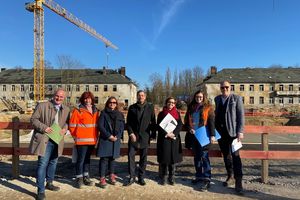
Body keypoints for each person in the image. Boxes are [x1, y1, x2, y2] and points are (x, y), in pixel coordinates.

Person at [29, 89, 70, 200]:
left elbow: (67, 122)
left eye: (61, 97)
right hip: (44, 139)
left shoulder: (66, 109)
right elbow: (33, 119)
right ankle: (40, 190)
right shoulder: (42, 106)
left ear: (64, 98)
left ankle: (49, 183)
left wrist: (65, 129)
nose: (59, 98)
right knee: (42, 164)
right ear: (53, 95)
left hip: (57, 139)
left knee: (53, 162)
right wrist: (44, 128)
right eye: (57, 96)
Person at [214, 80, 245, 195]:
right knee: (226, 156)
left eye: (226, 87)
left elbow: (241, 116)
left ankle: (238, 181)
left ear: (230, 87)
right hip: (221, 134)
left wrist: (240, 131)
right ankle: (230, 176)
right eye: (222, 87)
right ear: (220, 88)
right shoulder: (217, 99)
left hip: (233, 133)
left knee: (236, 157)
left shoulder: (236, 98)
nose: (224, 89)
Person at [184, 90, 215, 191]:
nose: (199, 98)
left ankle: (207, 178)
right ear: (195, 97)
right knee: (197, 157)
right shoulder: (191, 107)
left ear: (203, 98)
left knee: (205, 157)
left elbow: (211, 122)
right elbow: (186, 121)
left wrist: (212, 135)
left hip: (204, 135)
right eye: (197, 97)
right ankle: (199, 176)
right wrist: (189, 129)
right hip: (194, 136)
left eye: (201, 97)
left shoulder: (208, 108)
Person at [125, 90, 156, 186]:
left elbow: (153, 122)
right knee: (131, 156)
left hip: (145, 136)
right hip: (134, 136)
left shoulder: (150, 107)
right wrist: (131, 133)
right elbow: (128, 123)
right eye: (139, 95)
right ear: (137, 97)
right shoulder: (132, 108)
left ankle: (141, 177)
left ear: (145, 97)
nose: (140, 97)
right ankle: (132, 177)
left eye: (142, 95)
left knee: (143, 158)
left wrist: (153, 134)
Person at [69, 91, 99, 189]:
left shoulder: (96, 110)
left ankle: (86, 177)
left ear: (92, 99)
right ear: (83, 99)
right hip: (81, 140)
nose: (87, 100)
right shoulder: (78, 110)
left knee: (87, 160)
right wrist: (75, 137)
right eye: (85, 98)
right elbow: (72, 125)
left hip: (92, 140)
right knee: (80, 160)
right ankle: (79, 178)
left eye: (89, 98)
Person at [96, 97, 125, 188]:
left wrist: (118, 136)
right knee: (104, 159)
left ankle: (111, 174)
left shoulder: (120, 114)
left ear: (116, 104)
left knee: (113, 158)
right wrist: (109, 136)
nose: (112, 104)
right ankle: (102, 177)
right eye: (110, 102)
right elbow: (100, 126)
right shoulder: (103, 113)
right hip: (106, 139)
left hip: (116, 139)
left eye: (114, 102)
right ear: (107, 103)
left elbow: (122, 127)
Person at [156, 97, 183, 185]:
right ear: (166, 103)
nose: (171, 104)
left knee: (172, 159)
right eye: (169, 102)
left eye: (172, 102)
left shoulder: (177, 113)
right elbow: (159, 125)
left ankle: (171, 177)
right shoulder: (161, 113)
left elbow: (179, 125)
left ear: (174, 104)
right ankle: (163, 177)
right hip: (164, 139)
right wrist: (166, 133)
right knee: (164, 158)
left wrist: (174, 133)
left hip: (174, 139)